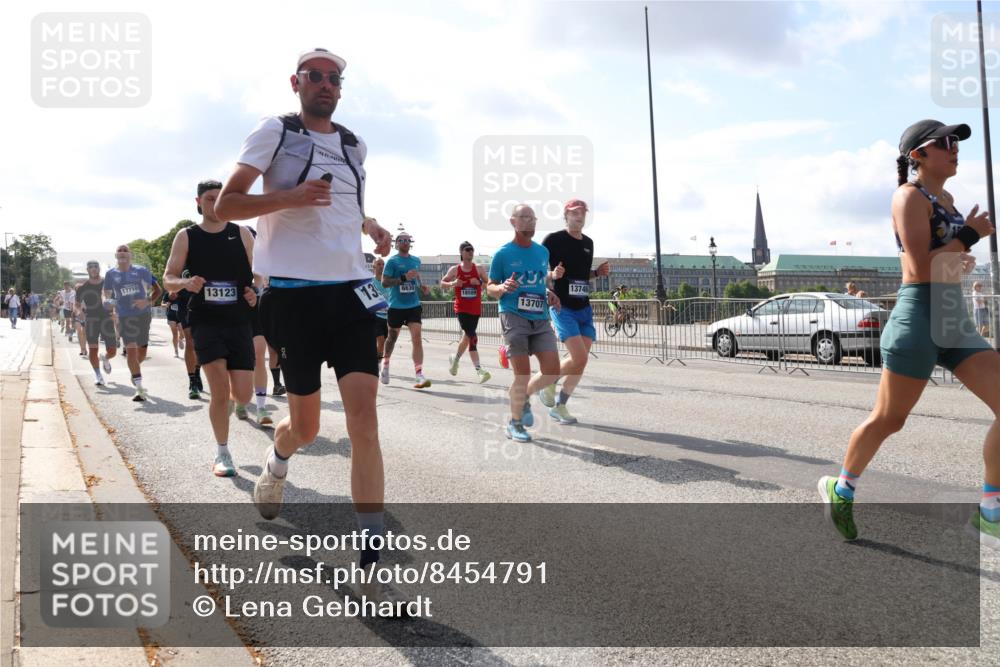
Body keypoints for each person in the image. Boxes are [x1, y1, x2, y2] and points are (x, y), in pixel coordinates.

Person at [214, 47, 405, 603]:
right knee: (308, 428)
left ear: (341, 88)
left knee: (364, 421)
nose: (326, 84)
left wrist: (370, 225)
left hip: (350, 294)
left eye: (335, 78)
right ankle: (277, 460)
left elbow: (343, 205)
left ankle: (370, 555)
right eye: (316, 76)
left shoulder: (353, 143)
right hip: (293, 299)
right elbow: (228, 205)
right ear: (297, 82)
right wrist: (291, 197)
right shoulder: (275, 131)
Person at [819, 119, 1000, 547]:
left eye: (957, 143)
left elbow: (944, 262)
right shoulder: (908, 197)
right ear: (917, 155)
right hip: (918, 318)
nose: (955, 149)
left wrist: (962, 258)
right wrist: (970, 237)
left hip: (955, 320)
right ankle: (841, 489)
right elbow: (919, 268)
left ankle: (990, 511)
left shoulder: (948, 199)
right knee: (890, 419)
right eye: (945, 143)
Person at [165, 179, 258, 476]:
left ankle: (231, 405)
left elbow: (260, 274)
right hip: (205, 320)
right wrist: (185, 283)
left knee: (242, 395)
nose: (215, 203)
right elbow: (168, 277)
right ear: (198, 202)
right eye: (209, 198)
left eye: (220, 198)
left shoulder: (241, 233)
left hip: (239, 321)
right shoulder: (187, 235)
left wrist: (255, 291)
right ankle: (222, 453)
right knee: (219, 391)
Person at [486, 204, 562, 443]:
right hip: (513, 315)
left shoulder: (542, 252)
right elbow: (490, 287)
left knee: (552, 370)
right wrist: (502, 288)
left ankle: (526, 397)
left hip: (540, 316)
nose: (530, 222)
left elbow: (540, 281)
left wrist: (550, 293)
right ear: (513, 222)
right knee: (522, 374)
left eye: (533, 218)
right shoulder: (503, 254)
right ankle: (515, 423)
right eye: (524, 218)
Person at [537, 199, 610, 424]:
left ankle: (560, 406)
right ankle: (548, 382)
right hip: (562, 306)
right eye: (575, 213)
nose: (579, 216)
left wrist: (596, 273)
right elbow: (537, 271)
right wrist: (552, 276)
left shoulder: (588, 242)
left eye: (583, 213)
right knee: (579, 356)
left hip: (584, 308)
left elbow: (580, 274)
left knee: (581, 361)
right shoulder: (553, 240)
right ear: (566, 215)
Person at [104, 244, 162, 401]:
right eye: (119, 250)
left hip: (143, 315)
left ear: (130, 255)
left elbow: (158, 289)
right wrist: (110, 304)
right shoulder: (111, 274)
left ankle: (135, 372)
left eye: (125, 250)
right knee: (131, 350)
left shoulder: (141, 270)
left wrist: (148, 301)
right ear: (116, 255)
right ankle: (139, 388)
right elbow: (107, 294)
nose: (122, 252)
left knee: (141, 352)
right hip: (124, 316)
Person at [380, 231, 431, 388]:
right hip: (396, 306)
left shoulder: (416, 260)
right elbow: (384, 282)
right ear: (397, 243)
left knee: (417, 337)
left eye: (407, 240)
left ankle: (419, 375)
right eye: (401, 240)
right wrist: (403, 278)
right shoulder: (392, 262)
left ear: (411, 242)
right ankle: (385, 364)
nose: (405, 242)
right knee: (392, 338)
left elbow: (415, 276)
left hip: (413, 305)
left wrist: (421, 285)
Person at [440, 241, 491, 383]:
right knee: (472, 336)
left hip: (475, 309)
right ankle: (479, 370)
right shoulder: (455, 270)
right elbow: (442, 283)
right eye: (467, 250)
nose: (470, 252)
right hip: (461, 308)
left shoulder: (479, 269)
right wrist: (453, 283)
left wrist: (480, 283)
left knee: (467, 337)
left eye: (472, 250)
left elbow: (489, 285)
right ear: (461, 253)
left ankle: (455, 360)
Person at [76, 261, 118, 385]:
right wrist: (79, 311)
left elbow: (115, 300)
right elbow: (77, 304)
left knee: (113, 351)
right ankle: (98, 375)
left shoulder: (108, 284)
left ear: (99, 269)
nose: (93, 269)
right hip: (91, 320)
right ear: (87, 270)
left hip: (107, 319)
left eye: (96, 267)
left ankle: (105, 358)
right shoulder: (83, 287)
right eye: (91, 267)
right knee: (93, 349)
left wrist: (115, 312)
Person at [372, 256, 390, 362]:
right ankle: (377, 364)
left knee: (384, 343)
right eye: (379, 264)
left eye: (383, 264)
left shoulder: (388, 281)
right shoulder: (370, 281)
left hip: (388, 317)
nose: (381, 266)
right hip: (375, 316)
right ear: (374, 266)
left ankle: (377, 360)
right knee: (381, 340)